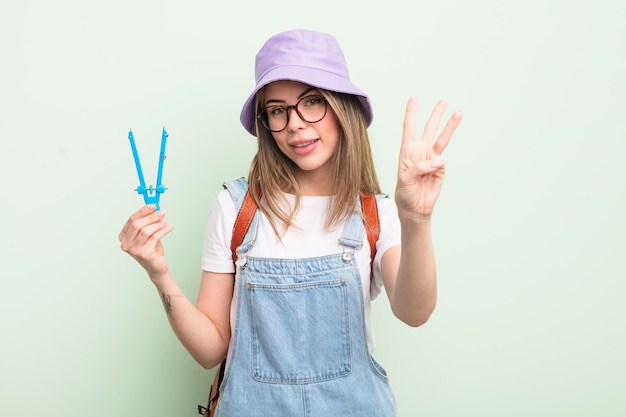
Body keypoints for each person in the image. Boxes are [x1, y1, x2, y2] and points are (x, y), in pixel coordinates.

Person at [119, 29, 462, 416]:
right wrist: (159, 274)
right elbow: (210, 349)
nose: (295, 123)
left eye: (312, 102)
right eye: (278, 110)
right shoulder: (236, 208)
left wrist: (416, 219)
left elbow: (415, 312)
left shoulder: (376, 214)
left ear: (342, 107)